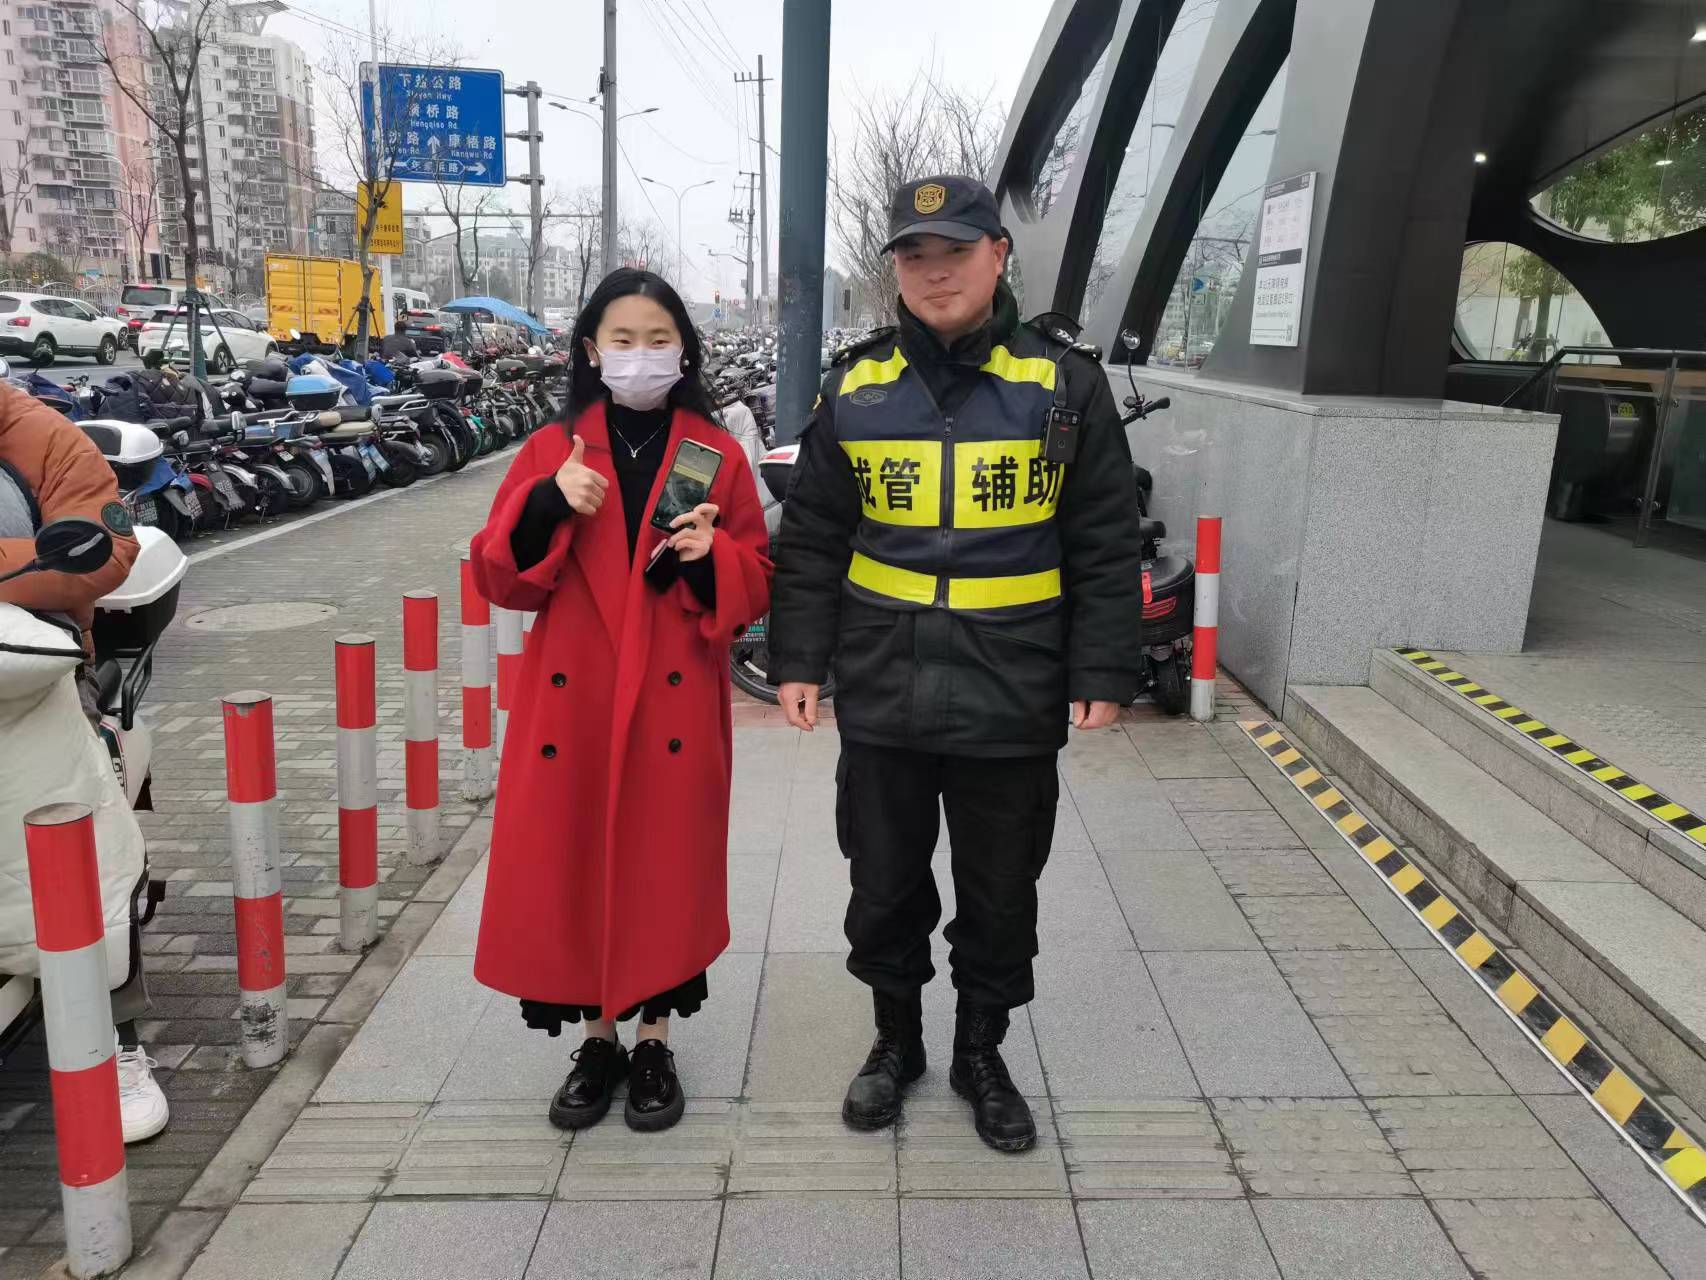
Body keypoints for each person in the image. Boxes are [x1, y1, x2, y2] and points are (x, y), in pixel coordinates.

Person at [769, 175, 1144, 1153]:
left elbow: (1105, 539)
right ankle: (895, 1043)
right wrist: (799, 657)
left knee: (1000, 892)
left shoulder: (1063, 384)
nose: (934, 272)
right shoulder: (854, 387)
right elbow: (812, 536)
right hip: (884, 688)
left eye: (955, 251)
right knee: (883, 884)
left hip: (1011, 689)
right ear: (894, 268)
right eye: (913, 255)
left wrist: (1102, 669)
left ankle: (982, 1052)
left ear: (998, 256)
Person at [468, 269, 771, 1134]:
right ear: (591, 351)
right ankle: (595, 1040)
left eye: (659, 340)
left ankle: (654, 1041)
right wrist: (545, 503)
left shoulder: (714, 452)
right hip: (573, 704)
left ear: (686, 351)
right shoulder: (552, 449)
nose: (642, 356)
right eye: (624, 340)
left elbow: (758, 580)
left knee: (662, 867)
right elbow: (499, 577)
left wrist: (713, 558)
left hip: (673, 701)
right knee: (575, 860)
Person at [0, 380, 171, 1144]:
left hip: (31, 678)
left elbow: (106, 547)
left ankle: (117, 1038)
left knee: (84, 836)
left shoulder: (40, 435)